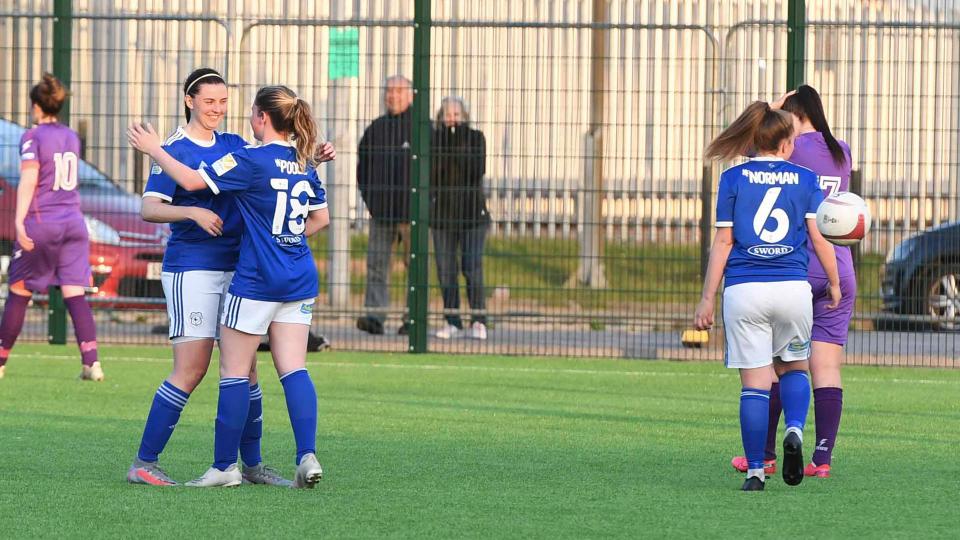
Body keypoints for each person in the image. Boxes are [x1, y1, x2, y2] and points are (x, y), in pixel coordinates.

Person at [128, 68, 331, 487]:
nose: (217, 109)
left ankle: (249, 465)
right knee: (194, 368)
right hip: (194, 267)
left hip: (240, 268)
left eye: (223, 102)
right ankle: (144, 461)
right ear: (189, 101)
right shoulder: (174, 147)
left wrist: (310, 157)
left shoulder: (237, 145)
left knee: (246, 370)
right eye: (209, 102)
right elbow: (149, 208)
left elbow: (273, 174)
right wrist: (191, 211)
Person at [696, 101, 841, 491]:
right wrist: (835, 281)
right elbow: (819, 237)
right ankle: (794, 429)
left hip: (745, 290)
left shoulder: (733, 178)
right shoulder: (806, 179)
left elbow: (724, 241)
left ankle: (757, 471)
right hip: (792, 289)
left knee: (755, 383)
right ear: (785, 144)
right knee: (794, 368)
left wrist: (707, 298)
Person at [730, 86, 854, 479]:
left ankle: (764, 454)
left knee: (778, 365)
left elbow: (756, 152)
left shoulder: (790, 151)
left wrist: (770, 108)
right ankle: (822, 458)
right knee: (827, 367)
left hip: (796, 265)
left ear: (793, 117)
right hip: (840, 266)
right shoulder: (842, 151)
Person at [0, 74, 102, 382]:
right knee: (74, 293)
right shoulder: (71, 136)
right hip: (73, 223)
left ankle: (1, 361)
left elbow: (30, 178)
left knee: (19, 289)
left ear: (35, 106)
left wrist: (18, 221)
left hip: (43, 222)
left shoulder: (32, 137)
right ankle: (92, 363)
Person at [355, 75, 413, 335]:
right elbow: (362, 170)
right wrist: (372, 202)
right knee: (377, 264)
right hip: (382, 213)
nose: (393, 95)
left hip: (413, 215)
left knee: (416, 266)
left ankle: (413, 318)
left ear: (411, 95)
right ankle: (375, 316)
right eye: (389, 90)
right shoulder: (375, 129)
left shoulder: (422, 128)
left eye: (399, 91)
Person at [430, 97, 490, 340]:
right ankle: (452, 319)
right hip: (443, 217)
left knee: (471, 266)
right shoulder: (434, 140)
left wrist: (456, 141)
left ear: (464, 115)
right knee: (446, 270)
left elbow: (475, 170)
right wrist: (446, 141)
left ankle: (479, 318)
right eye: (447, 113)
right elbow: (434, 172)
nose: (451, 118)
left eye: (456, 113)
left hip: (472, 216)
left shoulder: (475, 138)